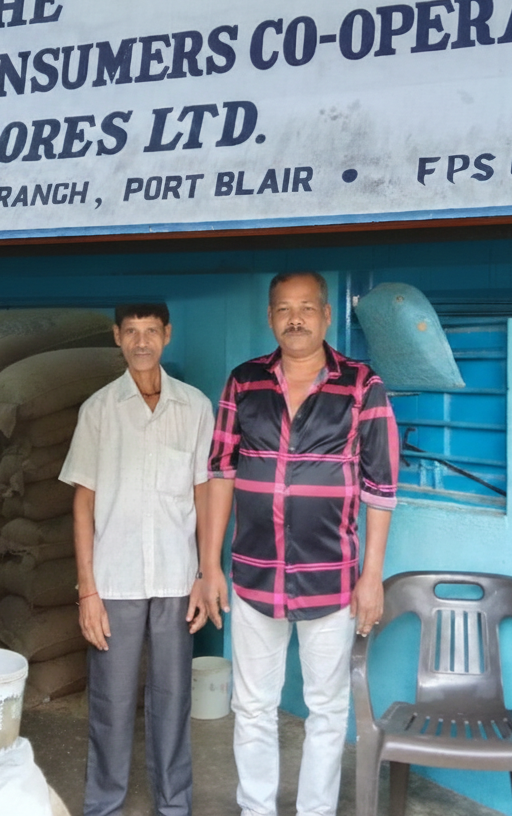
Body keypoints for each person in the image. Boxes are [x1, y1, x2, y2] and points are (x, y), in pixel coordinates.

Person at [191, 272, 399, 816]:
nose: (296, 318)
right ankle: (256, 809)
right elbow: (220, 475)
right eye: (284, 308)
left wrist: (371, 577)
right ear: (270, 317)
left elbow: (381, 488)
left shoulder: (363, 385)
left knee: (326, 710)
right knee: (252, 706)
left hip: (331, 577)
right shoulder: (244, 382)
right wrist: (209, 567)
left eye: (307, 307)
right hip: (255, 573)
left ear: (327, 315)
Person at [59, 302, 214, 816]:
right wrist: (87, 590)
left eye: (151, 331)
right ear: (117, 338)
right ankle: (104, 804)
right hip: (115, 578)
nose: (142, 341)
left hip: (177, 577)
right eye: (132, 332)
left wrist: (205, 573)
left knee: (173, 699)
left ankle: (174, 805)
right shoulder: (99, 409)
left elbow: (205, 494)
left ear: (167, 335)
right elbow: (83, 502)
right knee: (111, 700)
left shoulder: (195, 407)